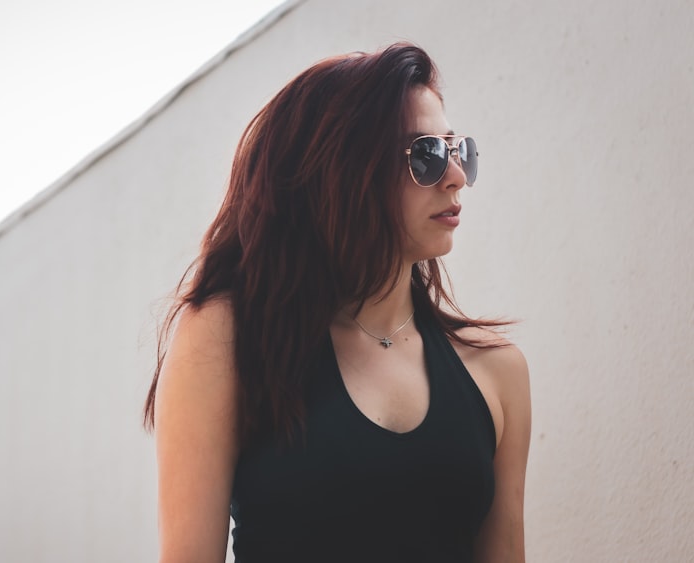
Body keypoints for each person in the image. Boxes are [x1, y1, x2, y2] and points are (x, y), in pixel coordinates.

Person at [143, 43, 531, 563]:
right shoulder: (226, 338)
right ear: (343, 169)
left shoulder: (496, 372)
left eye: (458, 150)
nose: (456, 175)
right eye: (426, 155)